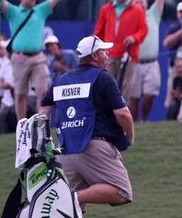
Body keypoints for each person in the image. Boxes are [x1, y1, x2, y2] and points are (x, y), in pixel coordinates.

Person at [39, 36, 135, 208]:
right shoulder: (102, 77)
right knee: (122, 191)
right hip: (93, 146)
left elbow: (43, 110)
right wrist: (130, 136)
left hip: (66, 148)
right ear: (95, 56)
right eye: (104, 51)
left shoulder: (61, 80)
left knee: (73, 214)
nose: (107, 54)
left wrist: (46, 141)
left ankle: (66, 208)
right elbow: (123, 114)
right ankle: (69, 197)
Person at [0, 0, 68, 122]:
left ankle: (40, 123)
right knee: (20, 93)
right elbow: (0, 2)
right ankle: (22, 125)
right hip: (19, 57)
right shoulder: (14, 12)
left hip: (38, 57)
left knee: (43, 91)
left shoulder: (40, 10)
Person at [127, 0, 171, 121]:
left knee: (150, 94)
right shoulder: (128, 18)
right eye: (137, 1)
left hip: (152, 63)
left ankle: (144, 121)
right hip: (135, 63)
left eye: (143, 1)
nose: (141, 3)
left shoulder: (153, 14)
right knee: (133, 98)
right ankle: (133, 125)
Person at [94, 0, 148, 100]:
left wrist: (134, 38)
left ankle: (122, 113)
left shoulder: (137, 9)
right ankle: (109, 112)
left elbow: (143, 29)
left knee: (126, 85)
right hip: (109, 53)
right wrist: (96, 47)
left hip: (130, 53)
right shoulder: (106, 9)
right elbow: (99, 30)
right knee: (108, 83)